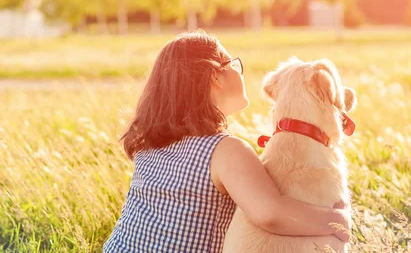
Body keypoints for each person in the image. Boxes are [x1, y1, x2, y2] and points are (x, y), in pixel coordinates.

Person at [103, 31, 350, 252]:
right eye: (233, 64)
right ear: (216, 77)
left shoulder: (149, 147)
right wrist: (338, 221)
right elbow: (271, 213)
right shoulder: (225, 151)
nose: (239, 71)